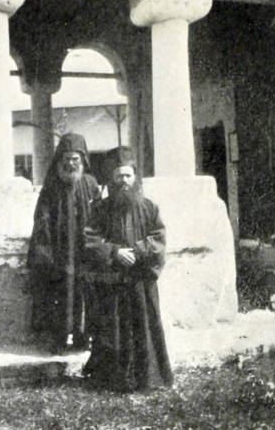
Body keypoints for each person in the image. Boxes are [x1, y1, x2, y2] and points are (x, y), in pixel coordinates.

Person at [83, 146, 173, 392]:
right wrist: (114, 252)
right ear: (111, 179)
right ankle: (113, 379)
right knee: (112, 328)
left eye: (128, 175)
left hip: (140, 281)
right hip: (112, 282)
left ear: (135, 177)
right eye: (118, 176)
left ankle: (147, 378)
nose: (123, 181)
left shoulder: (150, 208)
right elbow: (90, 240)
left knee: (144, 327)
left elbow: (159, 239)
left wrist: (138, 250)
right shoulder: (99, 209)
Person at [27, 133, 101, 354]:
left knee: (86, 294)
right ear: (60, 160)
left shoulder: (91, 183)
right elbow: (42, 218)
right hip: (60, 250)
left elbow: (100, 214)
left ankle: (82, 337)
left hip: (86, 250)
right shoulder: (51, 186)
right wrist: (45, 250)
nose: (70, 163)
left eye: (75, 159)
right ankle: (59, 339)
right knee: (59, 294)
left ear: (83, 160)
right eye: (66, 159)